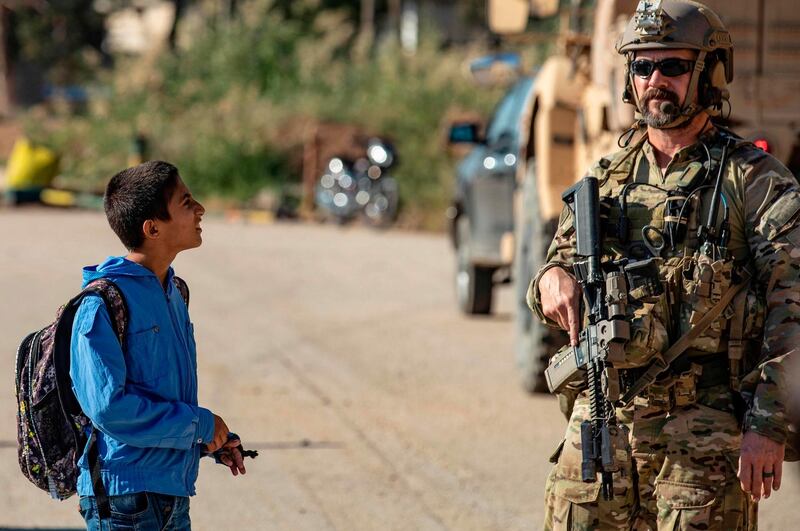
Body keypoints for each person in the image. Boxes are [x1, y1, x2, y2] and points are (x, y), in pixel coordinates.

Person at [527, 1, 797, 529]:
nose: (654, 80)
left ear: (710, 73)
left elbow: (793, 308)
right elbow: (548, 278)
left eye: (672, 66)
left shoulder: (757, 182)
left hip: (705, 432)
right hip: (605, 422)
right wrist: (552, 282)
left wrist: (768, 424)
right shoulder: (604, 180)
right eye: (642, 66)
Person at [70, 161, 246, 530]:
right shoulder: (102, 302)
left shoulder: (174, 292)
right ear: (152, 228)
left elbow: (162, 392)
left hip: (171, 495)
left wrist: (210, 439)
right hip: (125, 502)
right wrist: (198, 424)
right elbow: (109, 409)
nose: (200, 209)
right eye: (186, 202)